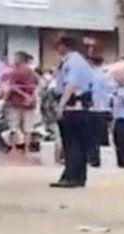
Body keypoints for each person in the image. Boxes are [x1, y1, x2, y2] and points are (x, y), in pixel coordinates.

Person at [51, 36, 94, 188]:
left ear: (65, 46)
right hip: (78, 106)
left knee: (72, 143)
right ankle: (78, 177)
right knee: (78, 143)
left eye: (59, 46)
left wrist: (61, 105)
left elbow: (71, 84)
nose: (57, 49)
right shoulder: (77, 61)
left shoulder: (73, 62)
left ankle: (71, 176)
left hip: (73, 106)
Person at [1, 51, 39, 155]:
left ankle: (14, 148)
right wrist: (30, 97)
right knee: (28, 128)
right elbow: (38, 85)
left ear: (19, 59)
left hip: (15, 102)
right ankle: (26, 150)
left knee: (14, 127)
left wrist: (6, 98)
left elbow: (11, 86)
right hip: (30, 103)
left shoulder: (14, 72)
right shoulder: (33, 73)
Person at [87, 55, 113, 167]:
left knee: (91, 136)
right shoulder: (107, 75)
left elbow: (90, 91)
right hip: (104, 109)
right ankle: (100, 159)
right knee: (102, 134)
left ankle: (93, 159)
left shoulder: (90, 75)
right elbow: (111, 92)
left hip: (93, 109)